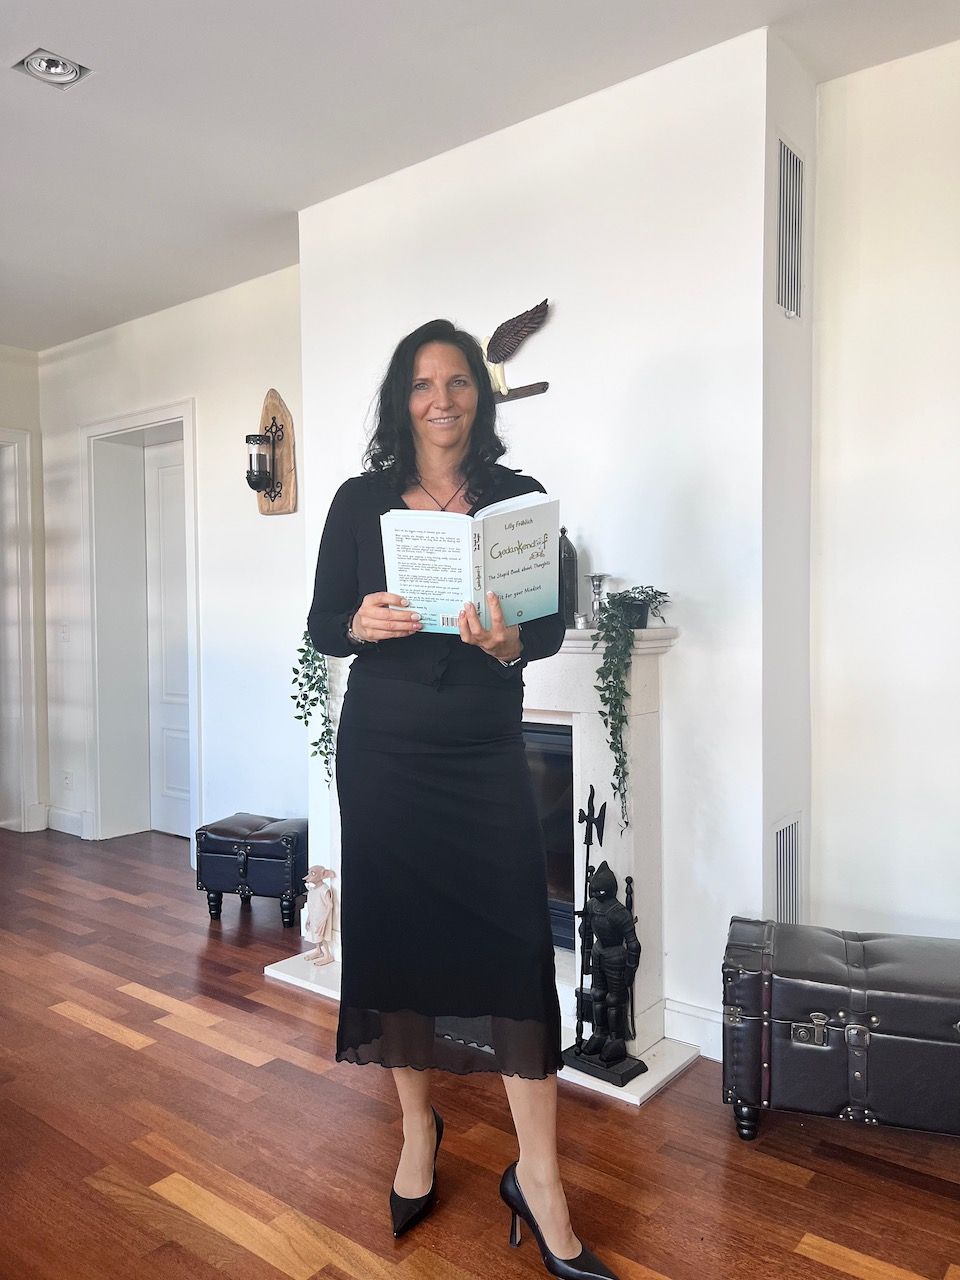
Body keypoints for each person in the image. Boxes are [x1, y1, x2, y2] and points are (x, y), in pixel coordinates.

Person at [308, 318, 619, 1280]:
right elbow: (322, 623)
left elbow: (548, 629)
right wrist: (359, 622)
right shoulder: (359, 502)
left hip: (484, 750)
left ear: (479, 396)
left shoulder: (519, 501)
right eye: (421, 383)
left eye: (456, 382)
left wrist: (508, 642)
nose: (439, 399)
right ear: (400, 400)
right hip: (385, 748)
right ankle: (417, 1131)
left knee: (516, 947)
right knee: (395, 936)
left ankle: (540, 1178)